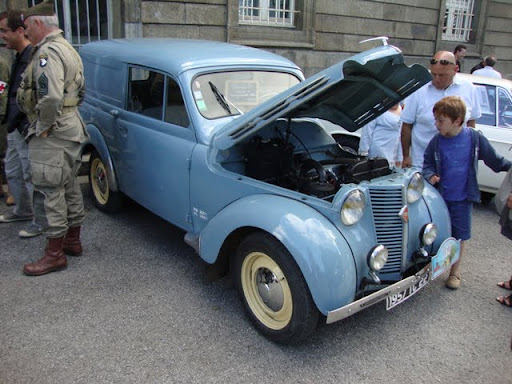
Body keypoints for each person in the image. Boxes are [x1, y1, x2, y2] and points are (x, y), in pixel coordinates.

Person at [17, 0, 88, 276]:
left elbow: (52, 96)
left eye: (26, 28)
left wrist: (44, 126)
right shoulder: (68, 47)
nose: (25, 33)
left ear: (37, 24)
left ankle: (54, 254)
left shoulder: (47, 52)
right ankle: (72, 241)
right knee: (68, 185)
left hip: (54, 130)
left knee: (50, 190)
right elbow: (79, 91)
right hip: (70, 126)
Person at [422, 96, 511, 289]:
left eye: (441, 121)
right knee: (435, 233)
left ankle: (455, 273)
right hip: (439, 199)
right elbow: (427, 164)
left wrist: (509, 166)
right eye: (436, 120)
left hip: (462, 199)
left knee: (460, 235)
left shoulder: (474, 138)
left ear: (457, 121)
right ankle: (430, 268)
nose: (436, 124)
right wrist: (430, 176)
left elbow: (494, 161)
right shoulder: (436, 142)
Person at [0, 10, 42, 238]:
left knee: (30, 175)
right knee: (13, 170)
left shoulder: (33, 58)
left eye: (4, 31)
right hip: (14, 126)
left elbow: (39, 97)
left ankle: (39, 220)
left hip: (25, 127)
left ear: (19, 31)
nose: (2, 36)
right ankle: (22, 210)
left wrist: (25, 124)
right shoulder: (17, 57)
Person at [400, 51, 481, 169]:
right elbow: (406, 125)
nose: (437, 79)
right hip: (422, 162)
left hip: (455, 163)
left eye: (442, 75)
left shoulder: (468, 88)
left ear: (455, 69)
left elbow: (471, 124)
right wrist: (406, 156)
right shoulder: (419, 89)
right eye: (434, 74)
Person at [358, 103, 403, 167]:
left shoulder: (402, 109)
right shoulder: (376, 109)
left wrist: (400, 157)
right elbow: (367, 132)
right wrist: (363, 152)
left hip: (394, 152)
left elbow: (401, 135)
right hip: (378, 151)